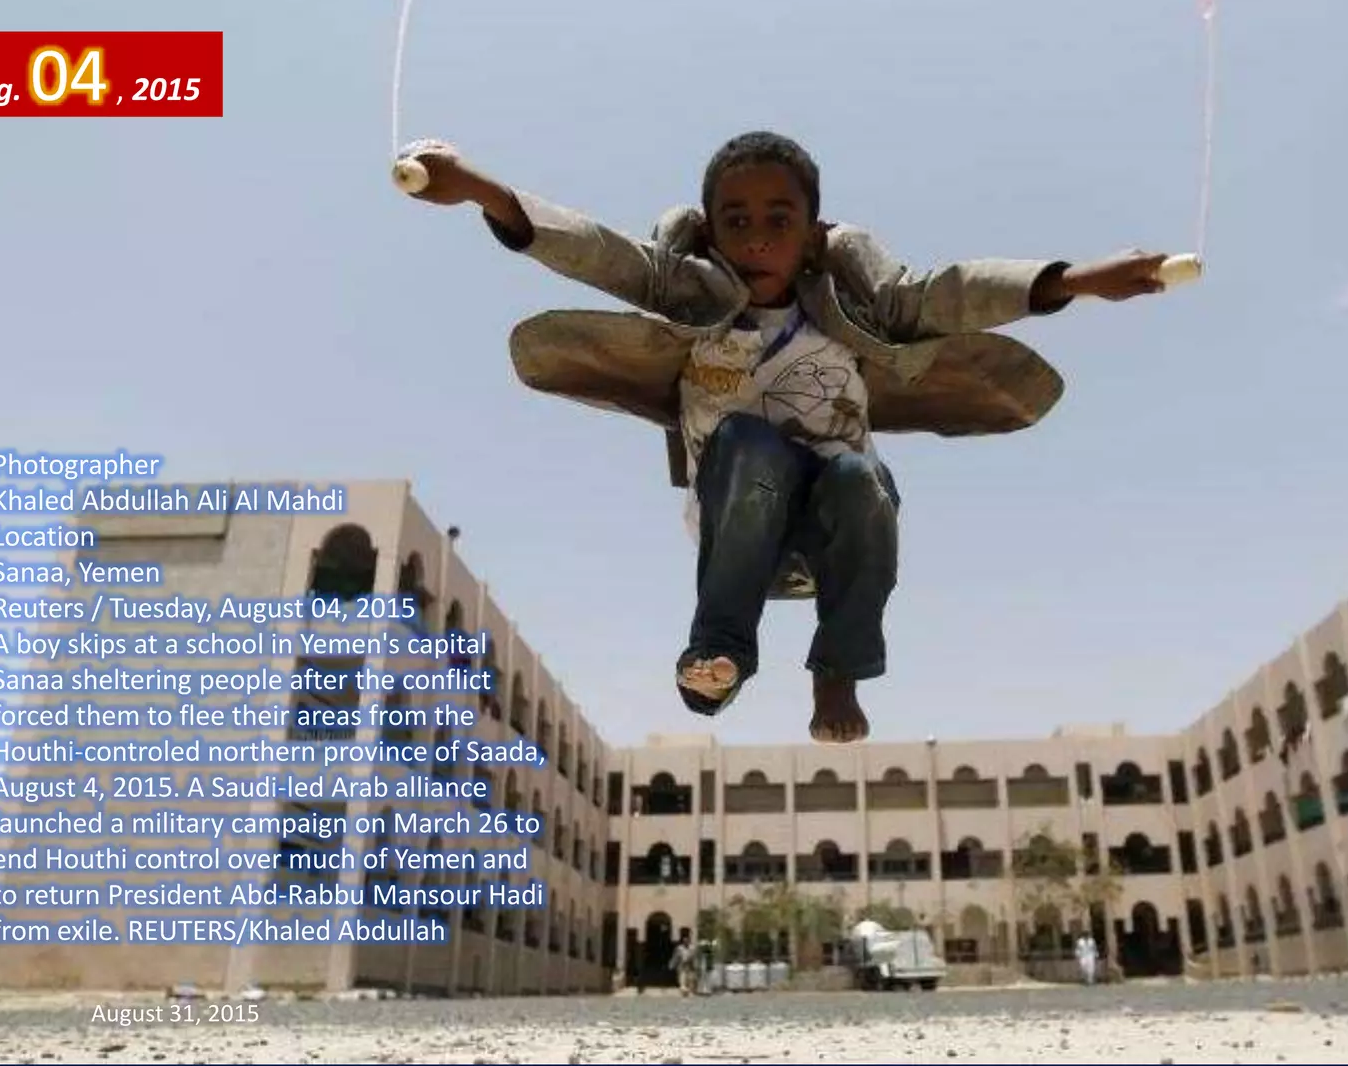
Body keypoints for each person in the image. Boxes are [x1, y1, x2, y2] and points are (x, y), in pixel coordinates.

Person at [400, 132, 1169, 743]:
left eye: (779, 222)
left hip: (836, 520)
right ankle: (720, 647)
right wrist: (478, 190)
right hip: (743, 513)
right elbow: (600, 252)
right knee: (750, 443)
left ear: (812, 236)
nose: (758, 240)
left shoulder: (860, 304)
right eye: (736, 223)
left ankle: (839, 672)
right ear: (711, 233)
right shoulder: (685, 292)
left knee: (860, 479)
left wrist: (1073, 281)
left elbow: (946, 294)